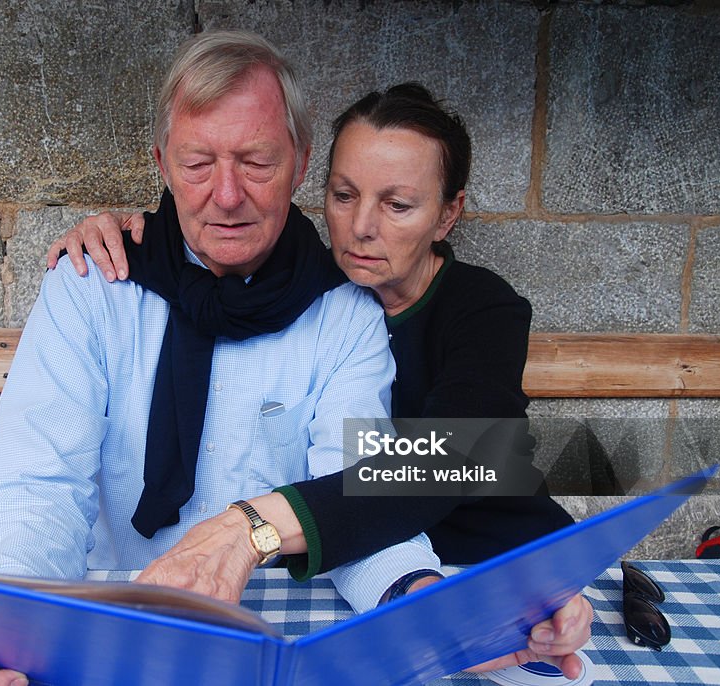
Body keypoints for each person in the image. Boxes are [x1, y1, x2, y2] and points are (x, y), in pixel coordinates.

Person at [0, 31, 450, 686]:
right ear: (162, 162)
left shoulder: (345, 315)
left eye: (256, 162)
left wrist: (421, 596)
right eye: (198, 164)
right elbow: (35, 487)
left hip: (272, 638)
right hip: (113, 634)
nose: (226, 195)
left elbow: (360, 495)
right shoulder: (90, 288)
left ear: (301, 163)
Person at [48, 82, 593, 675]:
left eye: (398, 205)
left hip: (488, 559)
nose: (360, 227)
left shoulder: (483, 308)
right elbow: (193, 251)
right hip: (369, 567)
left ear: (449, 213)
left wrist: (249, 526)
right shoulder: (310, 292)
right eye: (343, 195)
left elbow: (455, 457)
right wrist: (115, 235)